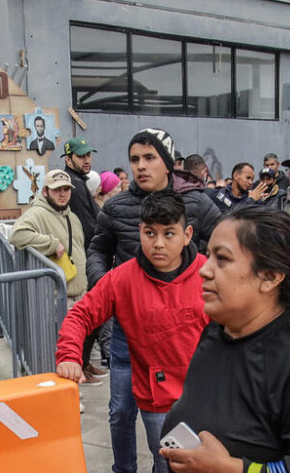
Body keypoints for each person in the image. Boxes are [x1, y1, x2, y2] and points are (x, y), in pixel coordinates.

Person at [159, 206, 290, 472]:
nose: (204, 270)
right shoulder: (216, 332)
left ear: (269, 277)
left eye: (222, 259)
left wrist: (234, 468)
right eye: (209, 256)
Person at [87, 128, 221, 473]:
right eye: (134, 159)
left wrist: (200, 277)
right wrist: (108, 287)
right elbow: (98, 249)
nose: (141, 166)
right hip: (125, 329)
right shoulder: (117, 205)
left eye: (150, 158)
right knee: (120, 411)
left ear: (168, 162)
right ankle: (124, 468)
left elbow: (225, 243)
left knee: (169, 422)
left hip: (175, 332)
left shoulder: (195, 203)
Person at [57, 193, 208, 473]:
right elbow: (80, 315)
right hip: (157, 399)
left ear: (187, 235)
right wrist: (69, 355)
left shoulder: (209, 274)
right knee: (167, 462)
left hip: (205, 397)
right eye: (150, 233)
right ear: (140, 231)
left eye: (169, 234)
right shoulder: (121, 279)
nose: (159, 243)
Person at [8, 170, 94, 380]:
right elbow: (17, 235)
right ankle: (66, 396)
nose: (63, 194)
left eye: (66, 189)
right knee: (61, 352)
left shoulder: (71, 216)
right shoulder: (38, 213)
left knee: (73, 350)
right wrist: (50, 244)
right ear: (45, 191)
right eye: (57, 190)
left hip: (78, 295)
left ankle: (71, 391)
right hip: (58, 298)